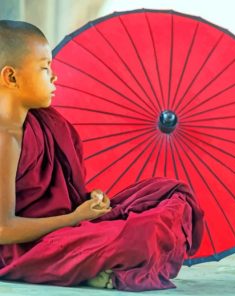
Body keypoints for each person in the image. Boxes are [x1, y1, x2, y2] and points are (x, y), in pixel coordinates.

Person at [0, 20, 204, 291]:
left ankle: (91, 265)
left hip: (65, 226)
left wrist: (90, 201)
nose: (53, 76)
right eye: (44, 67)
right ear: (11, 77)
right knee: (143, 234)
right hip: (27, 246)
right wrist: (74, 218)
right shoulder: (5, 138)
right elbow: (4, 229)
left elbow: (64, 194)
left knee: (170, 193)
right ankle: (85, 265)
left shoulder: (44, 123)